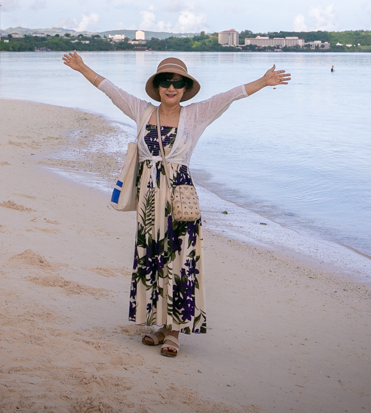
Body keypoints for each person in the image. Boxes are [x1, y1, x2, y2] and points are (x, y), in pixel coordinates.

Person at [62, 53, 290, 358]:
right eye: (165, 82)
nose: (171, 87)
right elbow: (109, 88)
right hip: (149, 201)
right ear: (156, 86)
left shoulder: (197, 114)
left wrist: (264, 81)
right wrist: (81, 68)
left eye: (178, 83)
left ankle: (175, 332)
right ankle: (158, 326)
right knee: (153, 260)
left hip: (180, 200)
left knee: (180, 261)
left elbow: (231, 96)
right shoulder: (142, 111)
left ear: (185, 88)